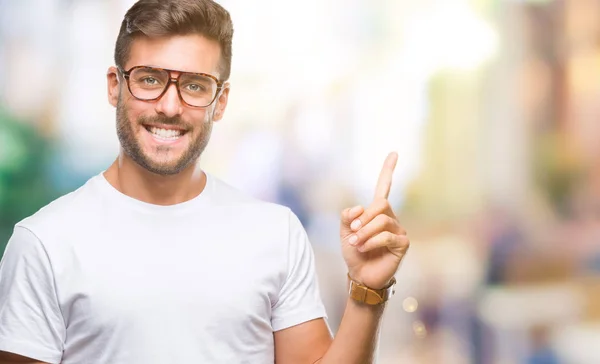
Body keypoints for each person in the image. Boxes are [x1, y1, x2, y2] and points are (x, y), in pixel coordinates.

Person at [0, 0, 410, 363]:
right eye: (149, 79)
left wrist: (366, 293)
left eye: (195, 86)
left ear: (221, 102)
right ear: (115, 86)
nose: (170, 105)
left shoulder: (275, 233)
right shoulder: (44, 244)